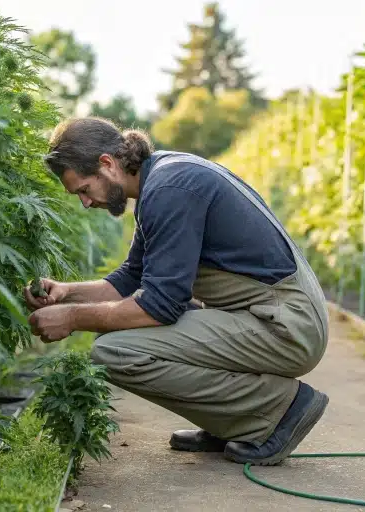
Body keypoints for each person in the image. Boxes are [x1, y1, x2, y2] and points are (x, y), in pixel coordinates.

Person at [22, 116, 329, 466]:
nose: (86, 203)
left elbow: (159, 307)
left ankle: (277, 411)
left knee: (115, 351)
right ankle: (231, 422)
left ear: (106, 164)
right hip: (270, 315)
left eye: (83, 189)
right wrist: (66, 293)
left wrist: (73, 318)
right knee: (130, 338)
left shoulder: (170, 190)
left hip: (287, 325)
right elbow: (131, 278)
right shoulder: (162, 179)